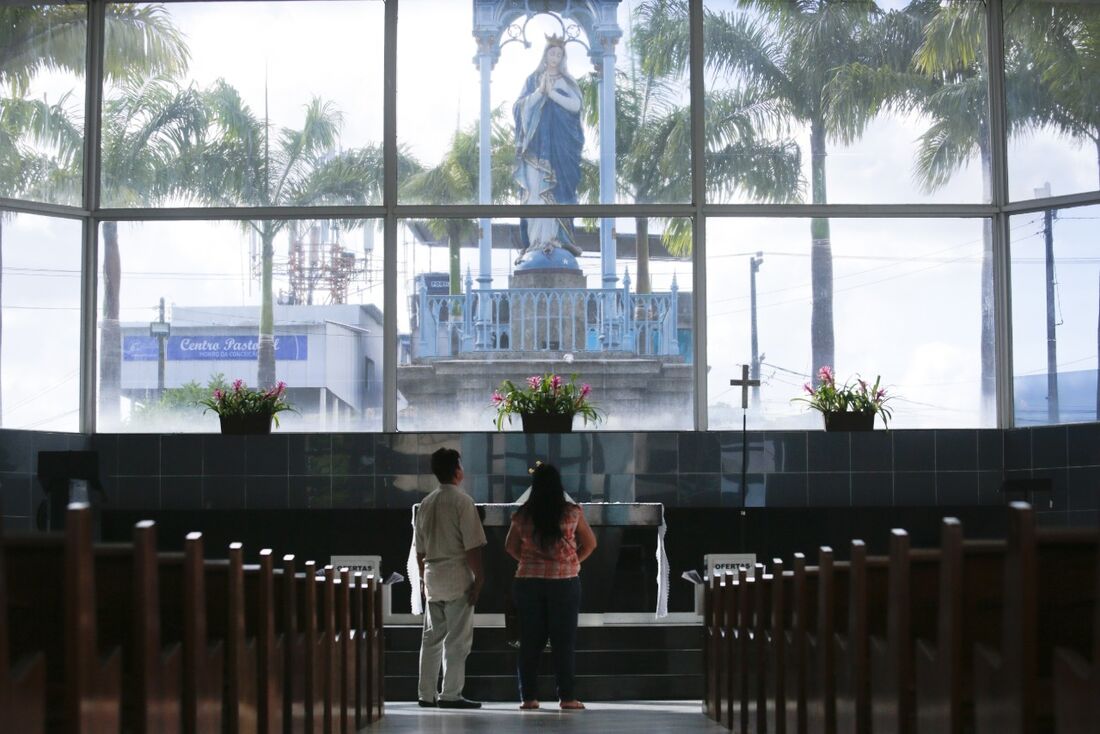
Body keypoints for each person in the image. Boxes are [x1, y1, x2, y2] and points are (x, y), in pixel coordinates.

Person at [505, 462, 597, 711]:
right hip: (564, 584)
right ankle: (567, 698)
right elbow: (590, 544)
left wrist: (529, 563)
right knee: (563, 641)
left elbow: (510, 546)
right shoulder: (571, 512)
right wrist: (570, 562)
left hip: (527, 584)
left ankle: (529, 698)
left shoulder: (523, 514)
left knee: (529, 642)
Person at [415, 448, 487, 709]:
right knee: (457, 639)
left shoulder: (426, 503)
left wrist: (423, 580)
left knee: (431, 638)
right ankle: (450, 694)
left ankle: (426, 693)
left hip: (433, 576)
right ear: (457, 471)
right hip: (457, 576)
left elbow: (419, 549)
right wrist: (479, 579)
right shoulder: (462, 501)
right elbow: (472, 547)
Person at [513, 34, 585, 261]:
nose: (554, 58)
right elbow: (519, 109)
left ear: (562, 58)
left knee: (558, 192)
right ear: (545, 55)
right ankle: (534, 242)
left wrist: (553, 93)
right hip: (535, 149)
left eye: (559, 54)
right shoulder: (532, 80)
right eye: (551, 53)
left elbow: (576, 106)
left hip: (560, 150)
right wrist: (539, 92)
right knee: (535, 191)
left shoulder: (566, 81)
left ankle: (559, 239)